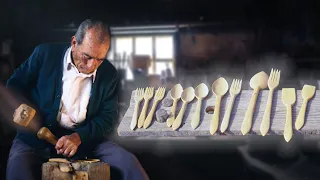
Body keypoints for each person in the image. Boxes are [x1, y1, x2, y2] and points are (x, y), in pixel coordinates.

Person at [6, 19, 149, 180]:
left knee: (128, 163)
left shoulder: (109, 73)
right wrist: (21, 106)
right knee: (17, 164)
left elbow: (107, 118)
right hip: (36, 139)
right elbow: (14, 84)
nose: (92, 66)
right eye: (87, 57)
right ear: (74, 42)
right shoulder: (44, 54)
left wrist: (79, 137)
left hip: (85, 141)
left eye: (99, 59)